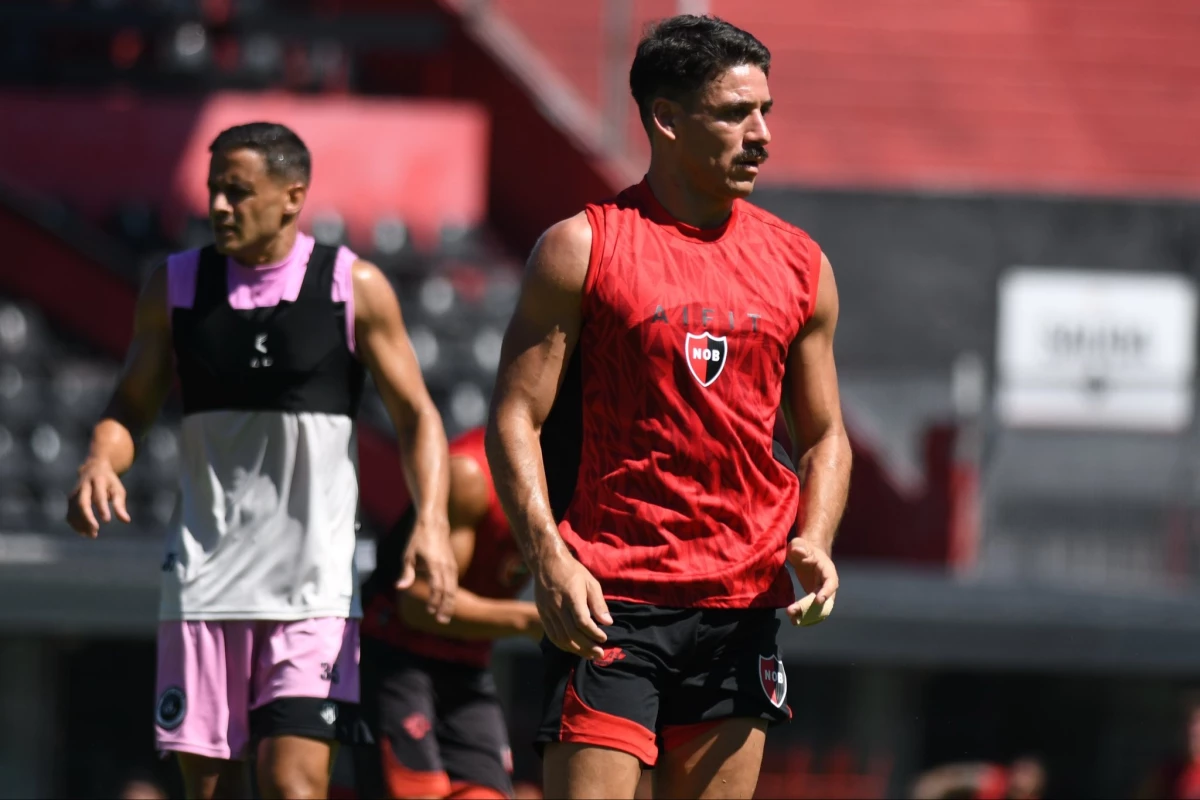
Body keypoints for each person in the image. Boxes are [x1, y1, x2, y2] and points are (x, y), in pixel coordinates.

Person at [485, 13, 852, 800]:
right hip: (610, 599)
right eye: (734, 113)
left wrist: (815, 538)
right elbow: (515, 415)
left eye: (767, 114)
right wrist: (548, 558)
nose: (760, 135)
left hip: (740, 606)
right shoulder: (582, 247)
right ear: (666, 119)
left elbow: (823, 436)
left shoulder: (801, 264)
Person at [66, 122, 459, 800]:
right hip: (204, 588)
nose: (219, 206)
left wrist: (430, 520)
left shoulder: (351, 286)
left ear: (291, 197)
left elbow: (418, 414)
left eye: (238, 192)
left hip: (315, 593)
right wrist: (100, 459)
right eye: (215, 190)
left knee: (294, 787)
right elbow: (129, 406)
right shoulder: (175, 287)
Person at [354, 426, 545, 800]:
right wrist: (532, 621)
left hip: (469, 665)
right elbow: (422, 603)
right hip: (398, 656)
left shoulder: (585, 478)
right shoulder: (471, 476)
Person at [910, 757, 1047, 800]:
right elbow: (957, 777)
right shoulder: (995, 779)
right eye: (1021, 769)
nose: (1019, 774)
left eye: (1028, 774)